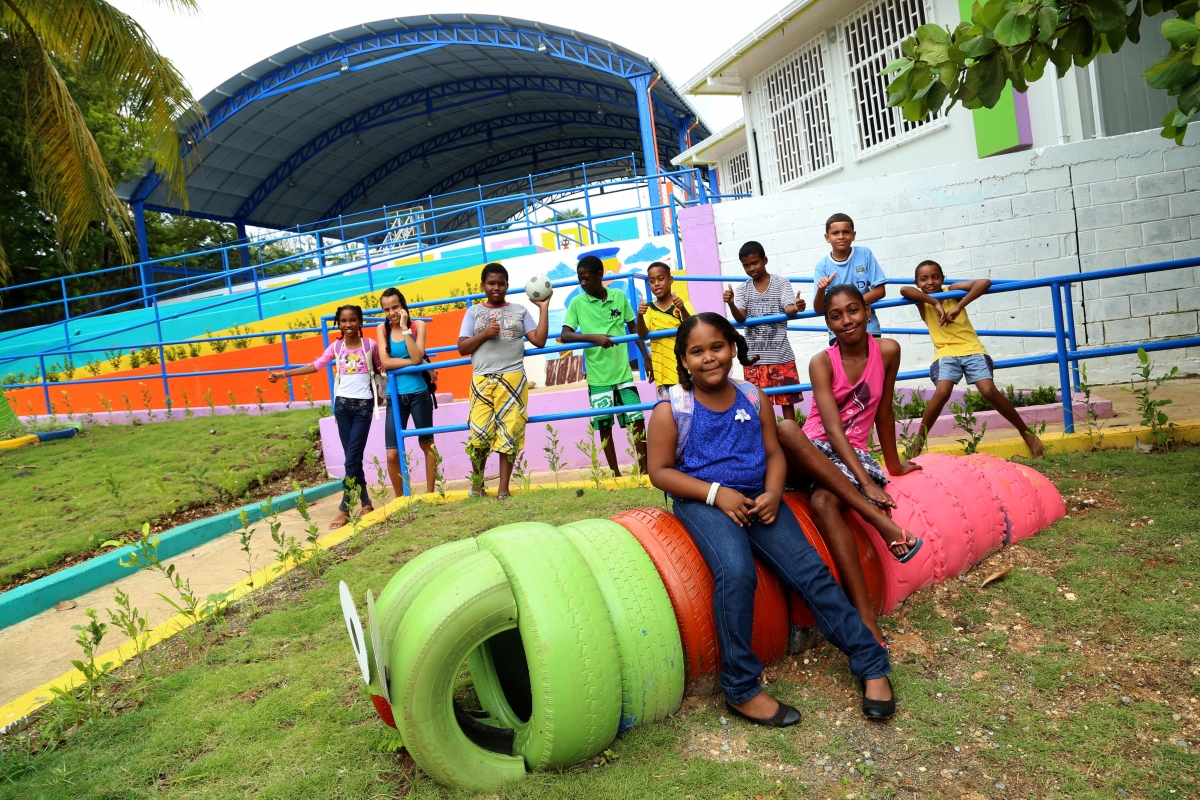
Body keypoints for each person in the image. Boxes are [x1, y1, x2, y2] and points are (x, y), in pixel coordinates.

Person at [647, 312, 896, 725]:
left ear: (733, 348)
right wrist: (716, 493)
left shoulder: (753, 396)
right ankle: (741, 688)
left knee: (811, 570)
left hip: (760, 498)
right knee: (736, 571)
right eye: (697, 351)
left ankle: (871, 663)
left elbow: (775, 452)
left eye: (717, 347)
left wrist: (774, 493)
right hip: (703, 501)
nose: (709, 358)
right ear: (684, 359)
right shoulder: (673, 408)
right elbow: (660, 471)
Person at [802, 284, 923, 645]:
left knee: (823, 503)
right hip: (814, 448)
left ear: (867, 312)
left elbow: (883, 410)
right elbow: (832, 429)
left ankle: (867, 621)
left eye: (853, 310)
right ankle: (877, 520)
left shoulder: (887, 351)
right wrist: (866, 486)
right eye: (835, 315)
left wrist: (893, 466)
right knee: (788, 430)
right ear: (827, 323)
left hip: (854, 453)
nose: (847, 320)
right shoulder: (822, 362)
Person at [899, 260, 1045, 458]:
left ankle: (1026, 433)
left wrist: (959, 306)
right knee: (942, 392)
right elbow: (904, 290)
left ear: (943, 278)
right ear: (918, 283)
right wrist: (935, 303)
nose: (930, 282)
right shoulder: (923, 301)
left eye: (935, 277)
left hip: (972, 349)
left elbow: (984, 282)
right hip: (945, 352)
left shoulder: (953, 290)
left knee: (988, 390)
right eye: (923, 279)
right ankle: (918, 444)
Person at [269, 304, 381, 528]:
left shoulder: (370, 345)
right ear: (338, 324)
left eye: (352, 320)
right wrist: (283, 374)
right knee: (352, 458)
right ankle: (366, 503)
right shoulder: (336, 347)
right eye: (343, 321)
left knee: (351, 457)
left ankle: (344, 507)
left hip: (363, 407)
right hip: (342, 406)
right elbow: (315, 366)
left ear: (360, 322)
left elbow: (382, 367)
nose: (348, 325)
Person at [458, 263, 550, 498]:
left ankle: (503, 489)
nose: (496, 288)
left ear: (507, 285)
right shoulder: (474, 312)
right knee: (478, 434)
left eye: (501, 283)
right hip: (482, 381)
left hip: (513, 379)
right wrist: (485, 334)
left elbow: (539, 341)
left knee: (509, 432)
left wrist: (544, 308)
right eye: (491, 283)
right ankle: (477, 487)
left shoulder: (519, 310)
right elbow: (462, 347)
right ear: (483, 286)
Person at [562, 255, 651, 476]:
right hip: (598, 378)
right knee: (604, 426)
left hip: (623, 374)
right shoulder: (577, 303)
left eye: (586, 278)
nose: (582, 283)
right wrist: (594, 338)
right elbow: (565, 335)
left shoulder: (619, 297)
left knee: (637, 420)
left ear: (600, 275)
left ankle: (645, 469)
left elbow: (633, 328)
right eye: (579, 279)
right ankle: (615, 473)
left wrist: (646, 357)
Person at [723, 241, 806, 421]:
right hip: (754, 358)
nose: (751, 268)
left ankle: (792, 441)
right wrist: (731, 303)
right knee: (758, 403)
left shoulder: (781, 283)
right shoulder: (743, 289)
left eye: (755, 263)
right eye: (746, 265)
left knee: (786, 402)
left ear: (765, 260)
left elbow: (788, 309)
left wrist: (797, 307)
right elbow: (741, 318)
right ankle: (766, 442)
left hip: (780, 354)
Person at [375, 287, 437, 497]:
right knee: (392, 454)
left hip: (419, 394)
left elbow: (415, 354)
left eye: (395, 307)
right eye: (386, 309)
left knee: (427, 445)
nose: (391, 312)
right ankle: (401, 499)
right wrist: (417, 362)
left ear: (403, 306)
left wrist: (404, 328)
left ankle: (430, 494)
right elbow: (385, 361)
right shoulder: (381, 330)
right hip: (395, 397)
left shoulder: (418, 326)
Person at [813, 213, 888, 343]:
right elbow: (819, 308)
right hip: (839, 333)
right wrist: (821, 289)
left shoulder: (864, 253)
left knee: (875, 361)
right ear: (827, 237)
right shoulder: (822, 266)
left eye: (846, 232)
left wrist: (849, 307)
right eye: (835, 233)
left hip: (868, 327)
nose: (841, 236)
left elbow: (880, 290)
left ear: (853, 235)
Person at [636, 261, 693, 400]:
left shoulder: (683, 302)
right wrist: (640, 315)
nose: (656, 283)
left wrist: (682, 309)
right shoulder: (648, 309)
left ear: (670, 280)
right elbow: (642, 334)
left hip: (687, 370)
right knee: (669, 412)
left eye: (660, 279)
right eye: (652, 281)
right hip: (663, 374)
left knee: (692, 409)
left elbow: (692, 326)